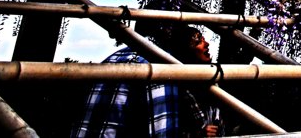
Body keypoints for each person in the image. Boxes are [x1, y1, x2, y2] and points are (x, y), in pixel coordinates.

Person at [71, 24, 222, 137]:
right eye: (197, 41)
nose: (206, 43)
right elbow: (161, 129)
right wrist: (195, 134)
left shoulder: (115, 59)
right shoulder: (160, 71)